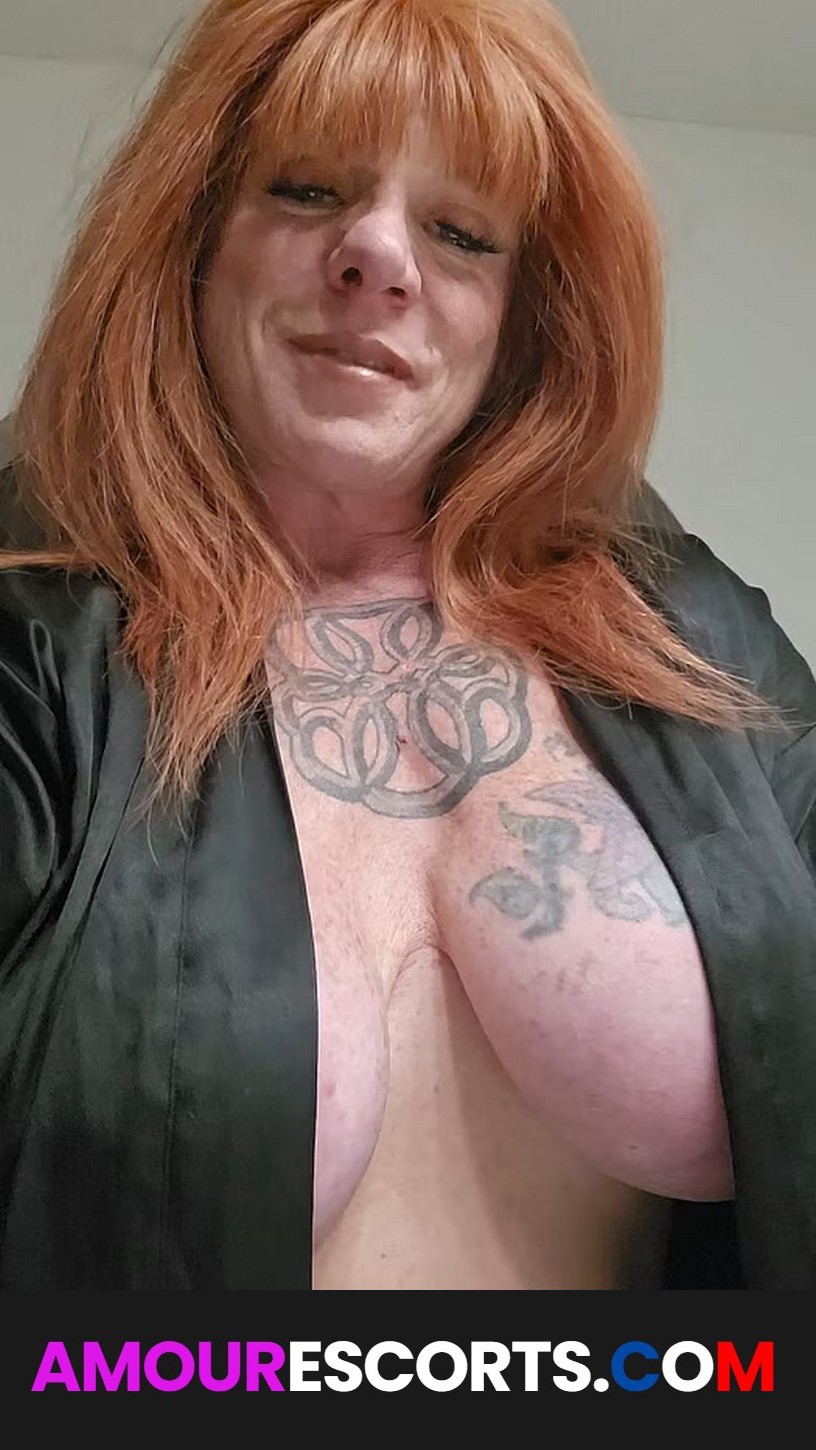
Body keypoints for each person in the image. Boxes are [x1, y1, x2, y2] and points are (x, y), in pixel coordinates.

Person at [0, 0, 814, 1293]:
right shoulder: (32, 653)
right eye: (308, 189)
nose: (378, 255)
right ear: (193, 241)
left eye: (462, 232)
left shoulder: (691, 632)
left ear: (521, 316)